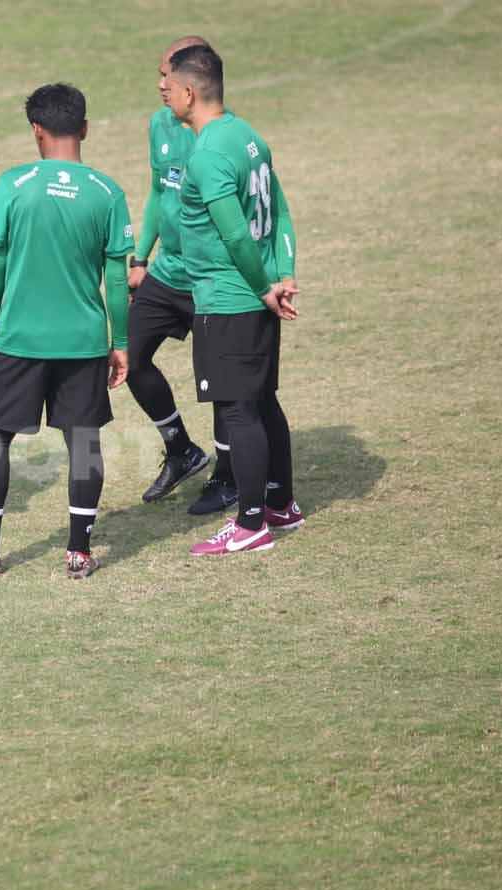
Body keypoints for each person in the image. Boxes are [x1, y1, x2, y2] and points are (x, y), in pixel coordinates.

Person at [0, 83, 132, 579]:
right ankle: (79, 552)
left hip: (19, 339)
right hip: (84, 341)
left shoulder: (13, 183)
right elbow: (116, 279)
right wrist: (120, 344)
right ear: (85, 129)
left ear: (36, 131)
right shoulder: (107, 192)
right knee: (84, 442)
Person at [164, 43, 305, 556]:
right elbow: (281, 212)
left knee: (237, 411)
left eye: (168, 84)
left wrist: (265, 287)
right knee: (262, 401)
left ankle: (249, 525)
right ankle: (280, 505)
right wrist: (282, 273)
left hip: (229, 299)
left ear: (189, 91)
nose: (162, 91)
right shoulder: (248, 136)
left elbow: (236, 236)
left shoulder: (206, 155)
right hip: (255, 295)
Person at [126, 35, 230, 511]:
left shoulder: (216, 135)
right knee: (129, 356)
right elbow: (156, 191)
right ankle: (181, 450)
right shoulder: (159, 124)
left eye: (167, 74)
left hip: (210, 279)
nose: (160, 84)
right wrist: (141, 258)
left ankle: (230, 475)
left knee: (224, 386)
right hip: (166, 273)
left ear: (192, 81)